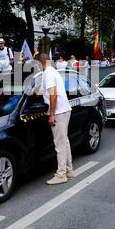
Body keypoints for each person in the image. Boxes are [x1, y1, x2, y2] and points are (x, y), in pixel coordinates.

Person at [39, 53, 74, 185]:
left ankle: (61, 175)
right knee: (64, 142)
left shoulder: (47, 73)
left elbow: (53, 96)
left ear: (39, 63)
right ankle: (69, 170)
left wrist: (51, 114)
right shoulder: (53, 71)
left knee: (59, 145)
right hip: (65, 110)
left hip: (58, 112)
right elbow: (47, 92)